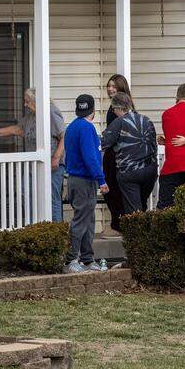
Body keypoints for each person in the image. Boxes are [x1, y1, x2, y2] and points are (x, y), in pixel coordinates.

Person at [0, 88, 67, 221]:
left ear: (36, 100)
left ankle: (56, 231)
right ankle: (35, 227)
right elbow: (17, 129)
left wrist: (56, 158)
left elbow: (64, 136)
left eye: (27, 101)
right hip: (33, 166)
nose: (25, 104)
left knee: (52, 198)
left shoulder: (50, 112)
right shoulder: (31, 116)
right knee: (26, 193)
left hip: (52, 166)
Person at [63, 94, 109, 273]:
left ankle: (88, 260)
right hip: (84, 180)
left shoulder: (72, 127)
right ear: (94, 111)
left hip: (75, 178)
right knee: (82, 220)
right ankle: (71, 260)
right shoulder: (88, 129)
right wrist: (101, 179)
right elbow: (90, 157)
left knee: (88, 220)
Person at [100, 91, 158, 218]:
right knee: (142, 205)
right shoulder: (146, 120)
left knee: (133, 211)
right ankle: (144, 232)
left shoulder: (119, 122)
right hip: (150, 169)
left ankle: (137, 236)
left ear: (116, 108)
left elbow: (103, 143)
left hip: (130, 171)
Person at [100, 74, 132, 234]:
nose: (110, 89)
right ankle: (118, 222)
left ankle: (118, 223)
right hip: (119, 154)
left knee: (111, 188)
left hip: (116, 154)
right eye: (109, 85)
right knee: (111, 188)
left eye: (114, 86)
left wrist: (107, 135)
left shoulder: (119, 108)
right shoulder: (117, 107)